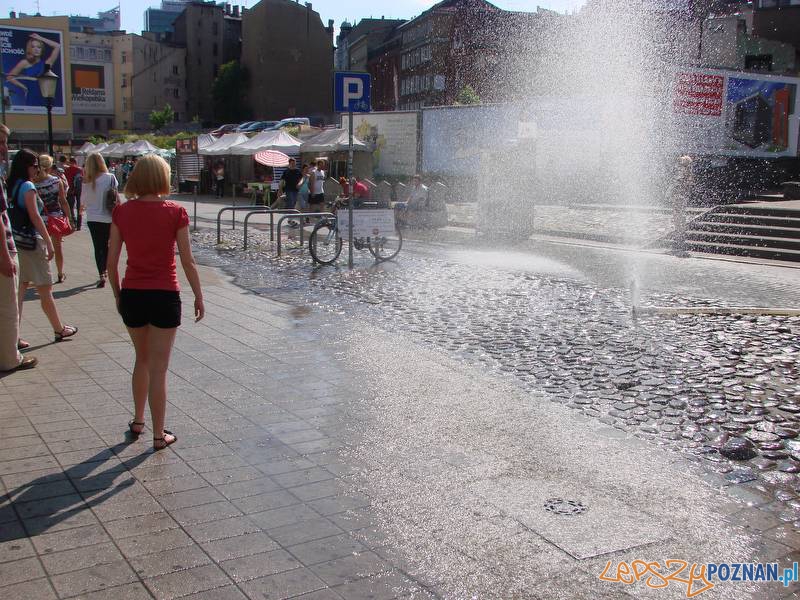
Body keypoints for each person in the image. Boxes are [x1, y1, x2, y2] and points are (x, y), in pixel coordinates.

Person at [107, 154, 204, 450]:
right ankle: (159, 435)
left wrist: (118, 295)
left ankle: (138, 421)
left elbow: (111, 263)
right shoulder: (175, 212)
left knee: (142, 359)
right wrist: (199, 295)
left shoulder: (122, 212)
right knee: (160, 368)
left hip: (133, 294)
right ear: (163, 177)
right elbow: (187, 261)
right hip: (165, 295)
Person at [7, 149, 77, 346]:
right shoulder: (28, 186)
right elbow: (35, 216)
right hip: (31, 242)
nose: (37, 169)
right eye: (34, 165)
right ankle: (59, 329)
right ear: (26, 166)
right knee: (45, 288)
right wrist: (48, 241)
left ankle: (14, 335)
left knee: (19, 292)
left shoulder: (11, 185)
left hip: (17, 242)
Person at [0, 124, 37, 372]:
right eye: (1, 142)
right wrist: (4, 256)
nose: (4, 148)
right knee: (7, 307)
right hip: (4, 249)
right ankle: (9, 358)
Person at [81, 152, 118, 288]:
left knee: (98, 247)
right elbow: (115, 196)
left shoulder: (87, 180)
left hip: (92, 218)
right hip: (108, 217)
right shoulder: (110, 178)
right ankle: (107, 269)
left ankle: (101, 273)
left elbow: (83, 201)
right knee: (107, 245)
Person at [33, 155, 72, 283]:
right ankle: (60, 273)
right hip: (56, 218)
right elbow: (63, 201)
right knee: (57, 247)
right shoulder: (56, 181)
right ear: (50, 167)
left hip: (40, 219)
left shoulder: (33, 182)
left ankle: (43, 274)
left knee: (42, 248)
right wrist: (69, 218)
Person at [6, 33, 61, 108]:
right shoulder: (24, 63)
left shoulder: (47, 64)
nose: (36, 49)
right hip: (31, 99)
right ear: (29, 49)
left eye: (39, 47)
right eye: (33, 47)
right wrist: (23, 87)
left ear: (42, 49)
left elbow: (57, 46)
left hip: (45, 99)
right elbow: (9, 77)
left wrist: (40, 38)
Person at [64, 157, 83, 230]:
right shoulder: (79, 170)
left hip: (70, 190)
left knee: (70, 207)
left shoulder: (67, 170)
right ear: (75, 162)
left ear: (70, 162)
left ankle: (73, 222)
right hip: (79, 190)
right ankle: (79, 225)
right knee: (79, 208)